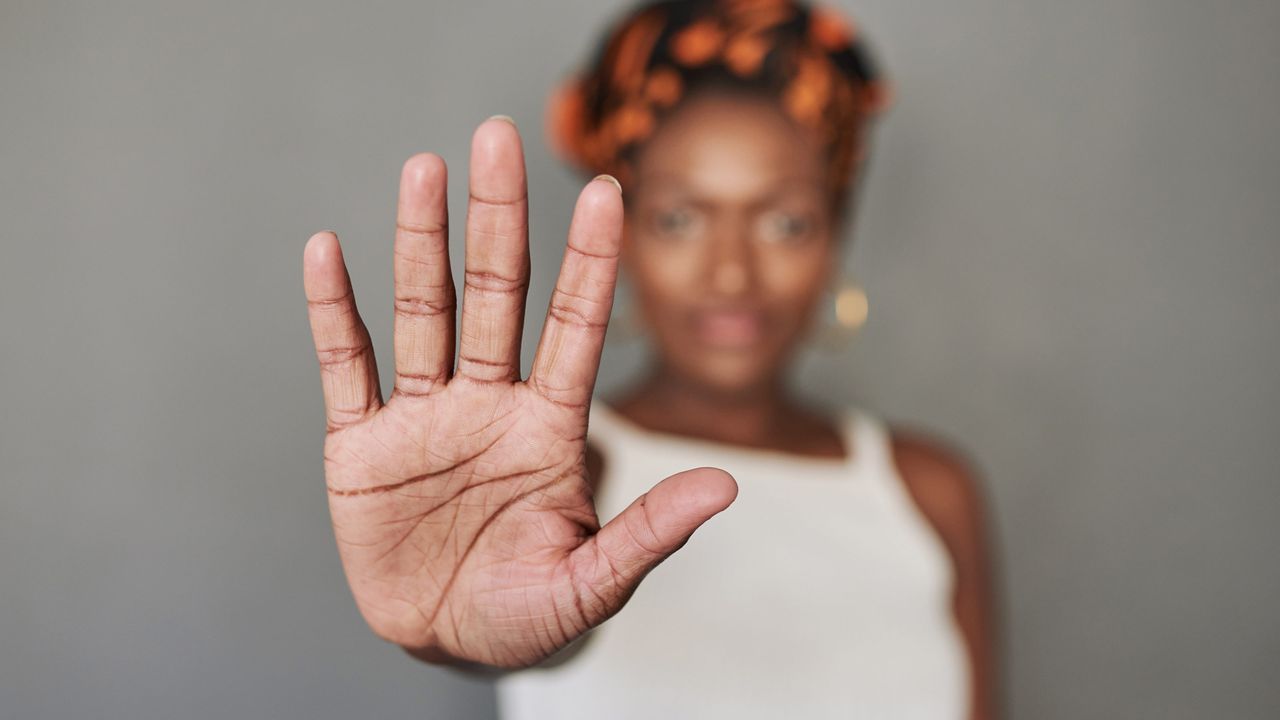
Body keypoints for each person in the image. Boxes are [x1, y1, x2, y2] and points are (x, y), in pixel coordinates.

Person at [301, 1, 996, 717]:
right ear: (622, 234)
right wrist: (448, 635)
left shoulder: (931, 493)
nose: (731, 273)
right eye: (679, 218)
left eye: (785, 221)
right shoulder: (557, 475)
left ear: (835, 237)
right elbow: (537, 613)